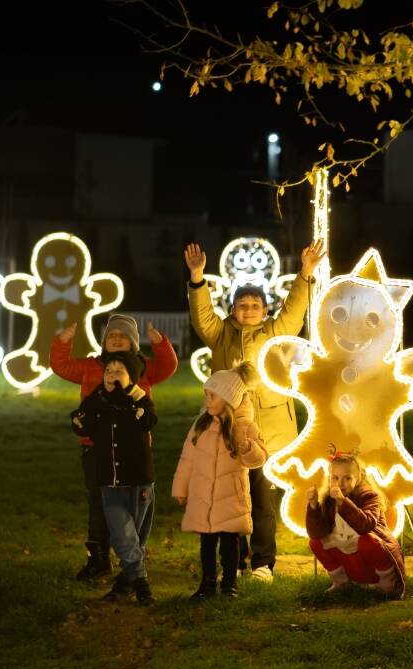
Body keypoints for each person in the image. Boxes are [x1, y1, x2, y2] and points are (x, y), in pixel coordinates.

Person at [184, 240, 325, 582]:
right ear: (232, 310)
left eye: (255, 304)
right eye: (242, 304)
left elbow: (293, 311)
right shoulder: (220, 336)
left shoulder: (275, 333)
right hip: (230, 433)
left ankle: (263, 562)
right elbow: (202, 316)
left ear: (265, 309)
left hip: (268, 437)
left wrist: (306, 273)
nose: (248, 309)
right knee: (231, 500)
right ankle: (236, 557)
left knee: (262, 501)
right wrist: (197, 277)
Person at [51, 315, 177, 581]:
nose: (117, 339)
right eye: (112, 335)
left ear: (132, 342)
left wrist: (160, 343)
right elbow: (61, 365)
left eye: (123, 336)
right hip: (95, 449)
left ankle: (132, 558)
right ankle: (98, 558)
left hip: (133, 449)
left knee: (131, 504)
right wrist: (63, 342)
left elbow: (167, 367)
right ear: (104, 342)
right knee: (99, 502)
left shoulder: (142, 367)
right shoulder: (90, 366)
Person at [171, 363, 268, 600]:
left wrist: (246, 446)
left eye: (212, 395)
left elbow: (259, 458)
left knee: (229, 544)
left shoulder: (244, 427)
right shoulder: (201, 425)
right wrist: (180, 487)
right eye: (206, 395)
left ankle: (229, 584)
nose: (207, 400)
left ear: (228, 398)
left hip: (230, 498)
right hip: (204, 496)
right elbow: (188, 458)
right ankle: (207, 584)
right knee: (206, 544)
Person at [69, 352, 159, 606]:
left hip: (139, 481)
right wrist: (79, 421)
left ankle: (125, 584)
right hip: (109, 482)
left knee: (136, 538)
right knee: (122, 535)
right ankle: (142, 585)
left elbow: (149, 420)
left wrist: (131, 402)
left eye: (119, 371)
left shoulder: (138, 399)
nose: (112, 376)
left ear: (132, 377)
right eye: (108, 371)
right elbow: (81, 423)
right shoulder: (96, 400)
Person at [305, 449, 406, 598]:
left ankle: (388, 585)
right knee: (315, 542)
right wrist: (313, 506)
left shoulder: (370, 497)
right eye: (335, 478)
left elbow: (365, 525)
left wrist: (343, 502)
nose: (340, 483)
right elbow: (316, 532)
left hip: (372, 557)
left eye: (347, 478)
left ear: (359, 477)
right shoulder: (328, 501)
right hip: (350, 559)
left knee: (367, 541)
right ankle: (342, 583)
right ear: (329, 479)